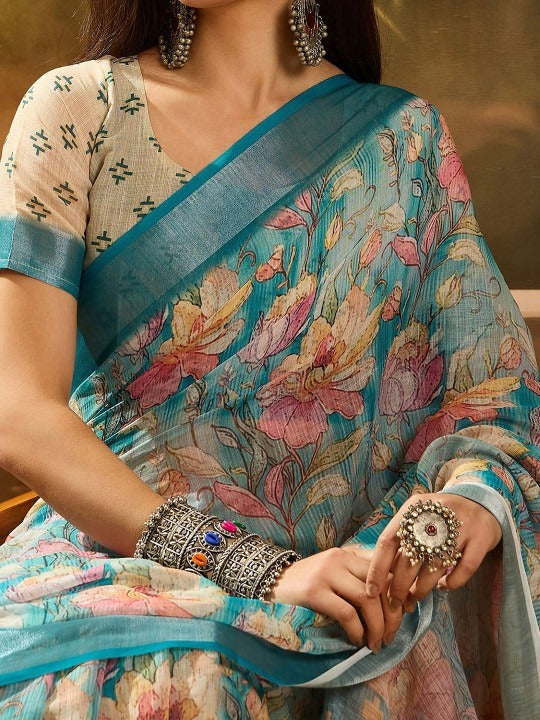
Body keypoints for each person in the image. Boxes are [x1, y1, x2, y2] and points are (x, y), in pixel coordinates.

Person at [0, 0, 538, 717]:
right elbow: (20, 411)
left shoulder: (402, 143)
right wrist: (252, 568)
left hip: (347, 596)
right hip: (117, 577)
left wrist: (459, 509)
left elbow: (495, 399)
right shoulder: (78, 112)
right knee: (172, 679)